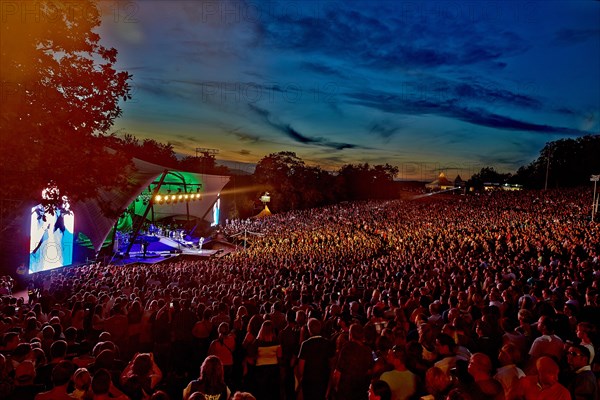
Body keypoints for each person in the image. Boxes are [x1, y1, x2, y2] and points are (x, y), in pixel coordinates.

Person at [332, 323, 374, 400]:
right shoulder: (368, 350)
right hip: (361, 391)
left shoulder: (347, 347)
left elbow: (338, 372)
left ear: (350, 335)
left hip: (346, 391)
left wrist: (335, 387)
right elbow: (370, 371)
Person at [297, 318, 335, 400]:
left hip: (309, 381)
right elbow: (332, 364)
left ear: (309, 329)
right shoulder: (327, 343)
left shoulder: (305, 344)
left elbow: (301, 367)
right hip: (323, 380)